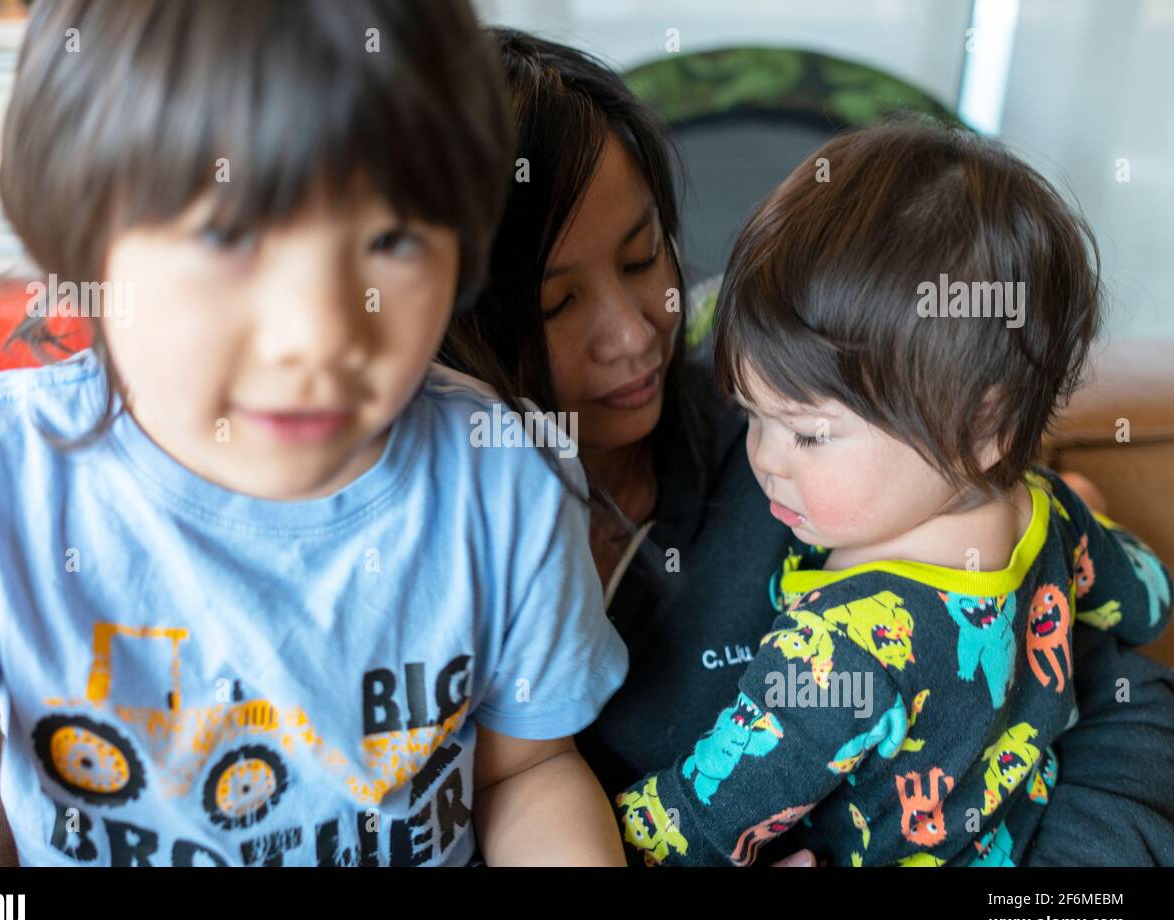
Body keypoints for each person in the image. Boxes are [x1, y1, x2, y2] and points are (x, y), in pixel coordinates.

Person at [0, 0, 628, 867]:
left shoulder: (505, 477)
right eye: (230, 237)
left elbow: (522, 774)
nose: (321, 331)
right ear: (78, 235)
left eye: (391, 238)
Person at [445, 28, 1174, 865]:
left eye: (647, 256)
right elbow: (1143, 592)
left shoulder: (856, 446)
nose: (635, 331)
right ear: (454, 327)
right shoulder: (425, 565)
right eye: (557, 303)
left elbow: (1124, 699)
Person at [614, 120, 1172, 866]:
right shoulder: (1051, 512)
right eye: (751, 414)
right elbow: (1148, 599)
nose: (764, 459)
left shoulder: (835, 650)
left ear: (985, 429)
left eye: (806, 434)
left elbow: (700, 818)